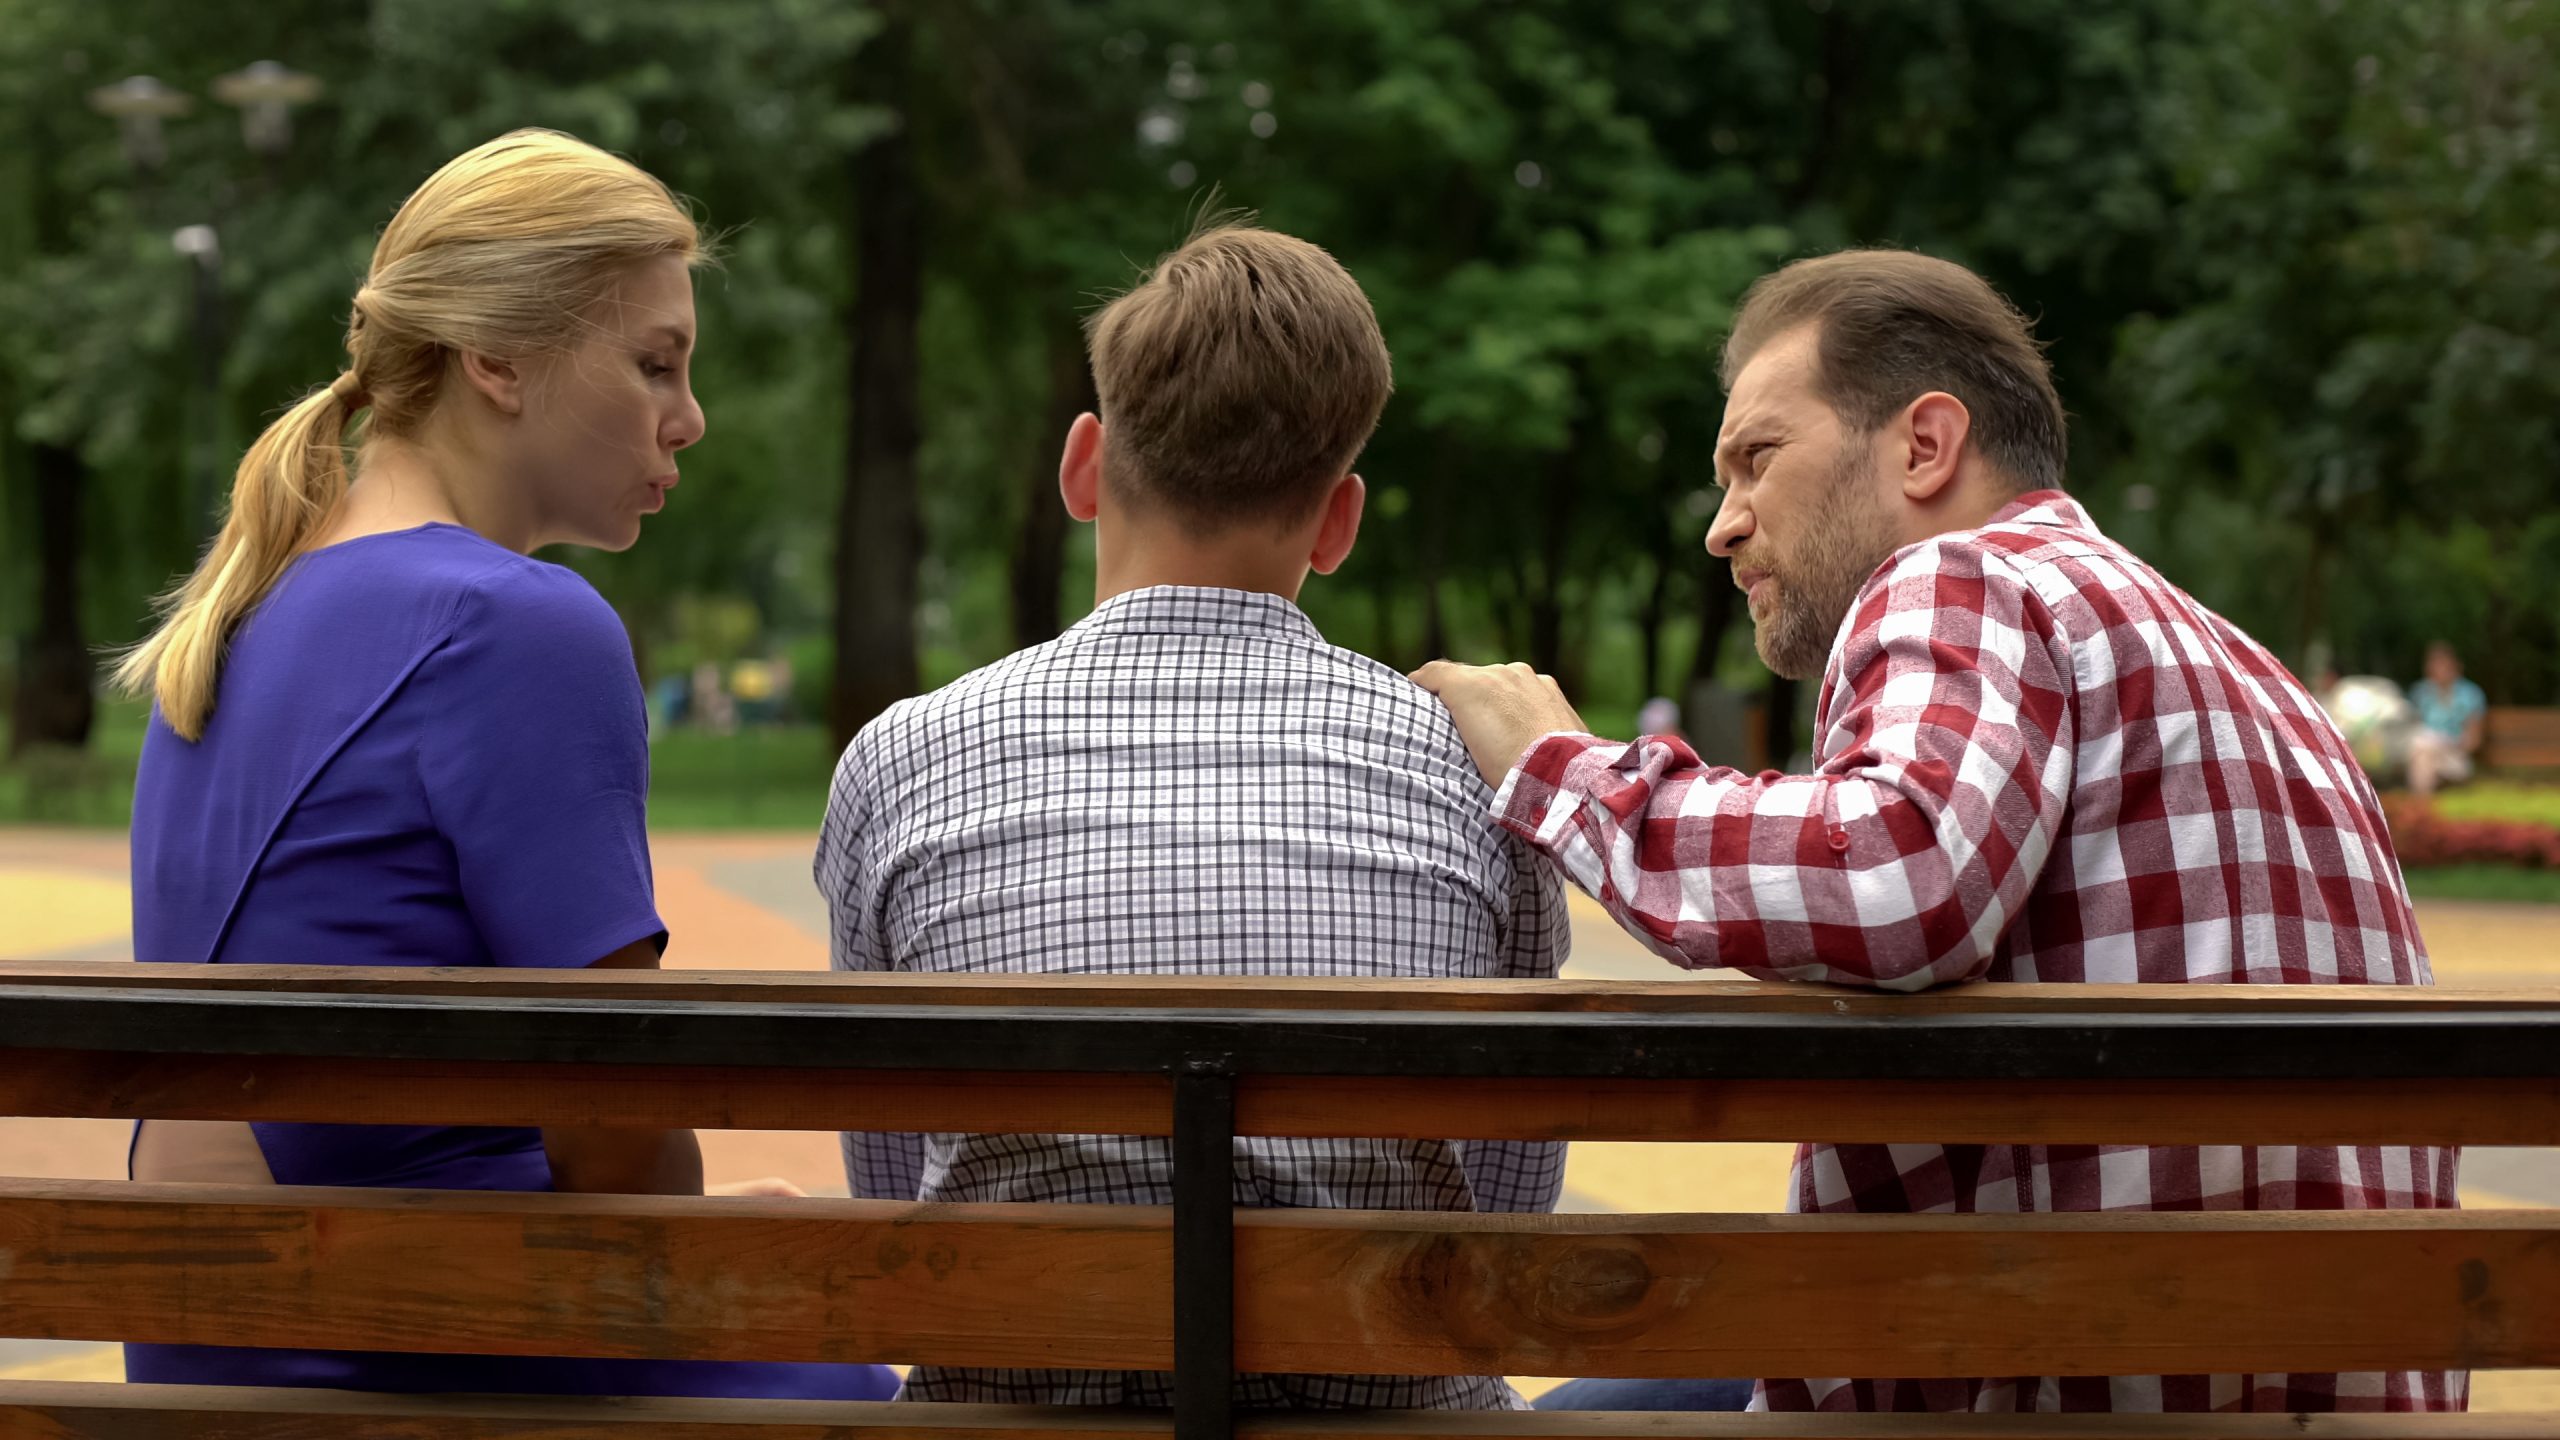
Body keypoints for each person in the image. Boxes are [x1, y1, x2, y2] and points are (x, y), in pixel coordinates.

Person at [1415, 248, 2455, 1415]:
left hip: (2063, 1386)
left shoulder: (1963, 576)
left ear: (1923, 445)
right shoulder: (2245, 666)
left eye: (1756, 458)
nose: (1722, 526)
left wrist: (1568, 773)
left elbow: (1896, 873)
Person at [114, 130, 893, 1403]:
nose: (688, 419)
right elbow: (618, 1138)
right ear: (495, 359)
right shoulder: (515, 624)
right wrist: (709, 1236)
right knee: (854, 1374)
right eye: (654, 364)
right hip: (427, 1343)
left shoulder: (240, 614)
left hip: (233, 1336)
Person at [815, 219, 1571, 1410]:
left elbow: (892, 1170)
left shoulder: (900, 757)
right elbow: (1503, 1192)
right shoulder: (1470, 770)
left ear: (1082, 465)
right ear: (1339, 519)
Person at [2408, 641, 2487, 797]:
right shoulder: (2421, 693)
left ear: (2456, 666)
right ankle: (2423, 805)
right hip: (2425, 755)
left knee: (2423, 749)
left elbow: (2474, 741)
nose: (2439, 670)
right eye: (2435, 665)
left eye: (2444, 664)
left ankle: (2419, 806)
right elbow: (2411, 730)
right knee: (2423, 752)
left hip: (2456, 759)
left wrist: (2447, 744)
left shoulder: (2470, 695)